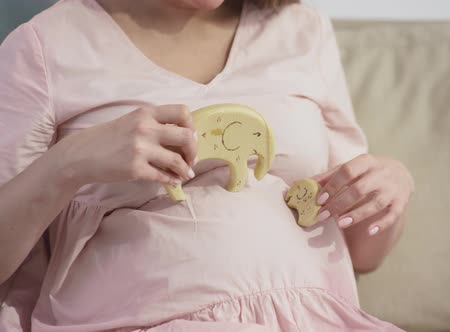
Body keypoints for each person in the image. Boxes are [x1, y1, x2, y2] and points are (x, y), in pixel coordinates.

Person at [0, 0, 415, 331]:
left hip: (316, 315)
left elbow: (363, 253)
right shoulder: (44, 46)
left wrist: (390, 187)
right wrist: (69, 164)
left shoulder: (303, 30)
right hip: (138, 318)